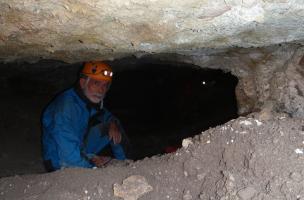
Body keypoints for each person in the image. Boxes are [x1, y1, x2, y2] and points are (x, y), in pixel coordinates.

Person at [42, 61, 128, 171]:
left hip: (78, 148)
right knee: (78, 160)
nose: (101, 90)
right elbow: (67, 155)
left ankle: (125, 164)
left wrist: (113, 123)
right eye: (96, 83)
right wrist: (94, 164)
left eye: (105, 85)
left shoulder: (86, 100)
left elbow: (106, 115)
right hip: (59, 162)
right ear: (83, 83)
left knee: (113, 127)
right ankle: (119, 167)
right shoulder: (65, 107)